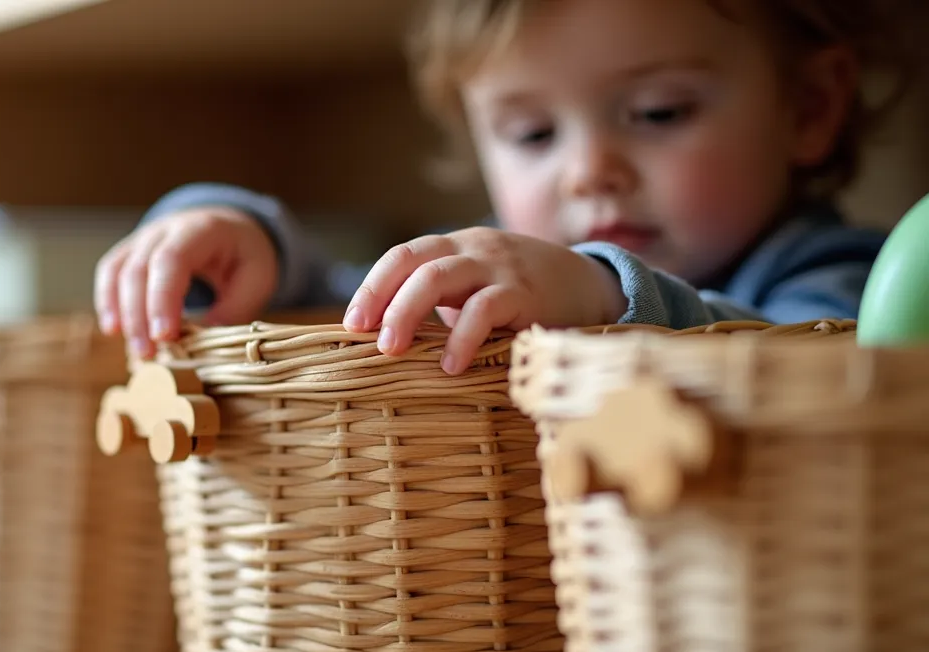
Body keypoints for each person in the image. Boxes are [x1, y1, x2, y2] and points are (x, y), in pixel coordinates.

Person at [95, 0, 908, 374]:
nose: (589, 170)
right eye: (532, 135)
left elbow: (800, 367)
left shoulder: (838, 278)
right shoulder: (506, 269)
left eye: (658, 112)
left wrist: (600, 291)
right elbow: (366, 314)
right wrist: (245, 243)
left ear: (809, 107)